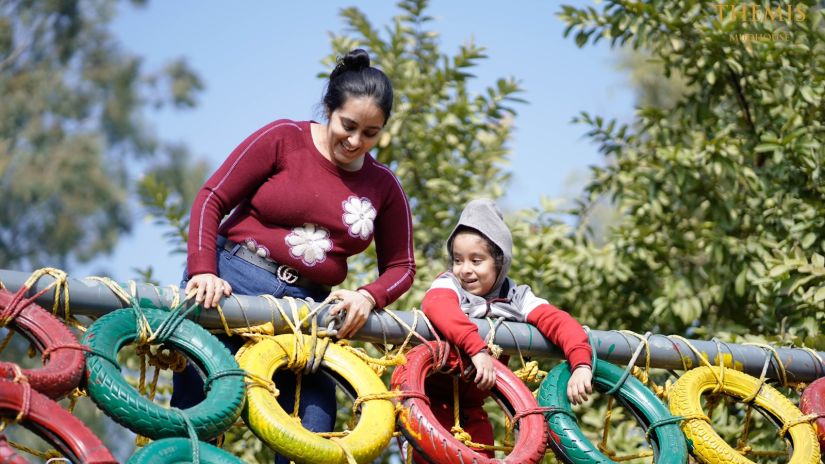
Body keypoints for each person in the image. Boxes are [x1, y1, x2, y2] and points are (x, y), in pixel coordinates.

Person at [171, 48, 416, 458]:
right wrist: (202, 270)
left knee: (314, 427)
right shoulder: (284, 138)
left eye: (370, 133)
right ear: (328, 109)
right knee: (201, 421)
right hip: (231, 283)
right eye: (348, 125)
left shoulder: (384, 185)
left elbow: (402, 266)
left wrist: (367, 296)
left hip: (307, 314)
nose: (356, 141)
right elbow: (211, 197)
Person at [420, 198, 592, 459]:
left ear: (499, 262)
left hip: (472, 407)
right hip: (429, 401)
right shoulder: (449, 284)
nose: (464, 270)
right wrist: (476, 350)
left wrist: (581, 364)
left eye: (476, 261)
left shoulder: (516, 297)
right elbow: (437, 306)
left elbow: (559, 322)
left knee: (483, 453)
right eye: (457, 260)